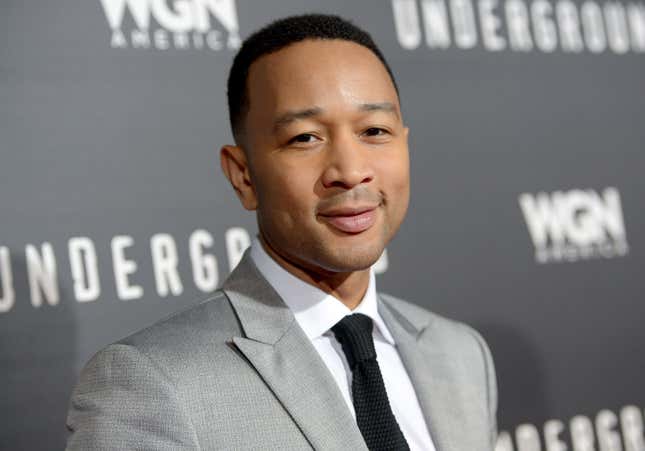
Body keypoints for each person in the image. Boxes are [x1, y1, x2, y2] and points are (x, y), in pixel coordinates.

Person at [65, 14, 497, 451]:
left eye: (374, 131)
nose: (350, 171)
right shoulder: (153, 385)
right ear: (244, 176)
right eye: (305, 138)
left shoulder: (459, 354)